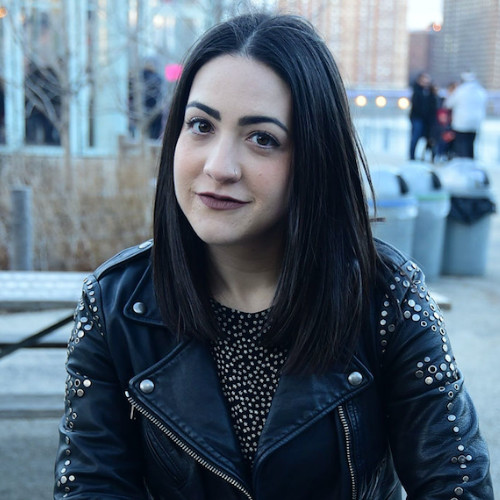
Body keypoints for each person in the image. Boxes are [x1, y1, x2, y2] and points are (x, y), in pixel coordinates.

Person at [54, 13, 493, 500]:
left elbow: (457, 484)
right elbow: (91, 485)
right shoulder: (115, 304)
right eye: (201, 125)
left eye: (262, 138)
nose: (219, 167)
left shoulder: (387, 297)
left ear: (315, 157)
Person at [444, 72, 488, 159]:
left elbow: (448, 104)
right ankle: (470, 161)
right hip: (475, 123)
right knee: (471, 144)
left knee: (461, 145)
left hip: (461, 123)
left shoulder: (460, 91)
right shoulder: (480, 91)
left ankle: (463, 161)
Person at [408, 72, 437, 160]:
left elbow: (433, 106)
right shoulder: (417, 91)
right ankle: (412, 157)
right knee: (415, 137)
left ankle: (427, 157)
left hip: (427, 120)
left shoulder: (431, 92)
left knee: (429, 138)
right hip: (417, 118)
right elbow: (416, 106)